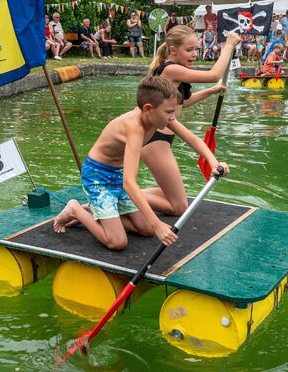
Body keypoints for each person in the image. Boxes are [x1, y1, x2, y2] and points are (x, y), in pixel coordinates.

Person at [52, 75, 230, 249]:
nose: (172, 117)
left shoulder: (159, 117)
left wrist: (213, 162)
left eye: (174, 111)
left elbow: (192, 138)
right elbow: (129, 182)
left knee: (145, 230)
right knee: (117, 242)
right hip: (98, 177)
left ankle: (96, 211)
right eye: (169, 111)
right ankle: (76, 209)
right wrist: (157, 224)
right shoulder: (135, 128)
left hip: (117, 173)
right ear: (148, 109)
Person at [142, 26, 240, 216]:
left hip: (161, 138)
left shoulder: (175, 73)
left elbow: (182, 103)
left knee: (174, 199)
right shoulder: (171, 70)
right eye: (189, 50)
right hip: (154, 140)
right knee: (178, 208)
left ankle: (124, 195)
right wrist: (228, 45)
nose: (194, 54)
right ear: (173, 50)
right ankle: (119, 196)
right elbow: (213, 75)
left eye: (196, 49)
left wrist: (211, 91)